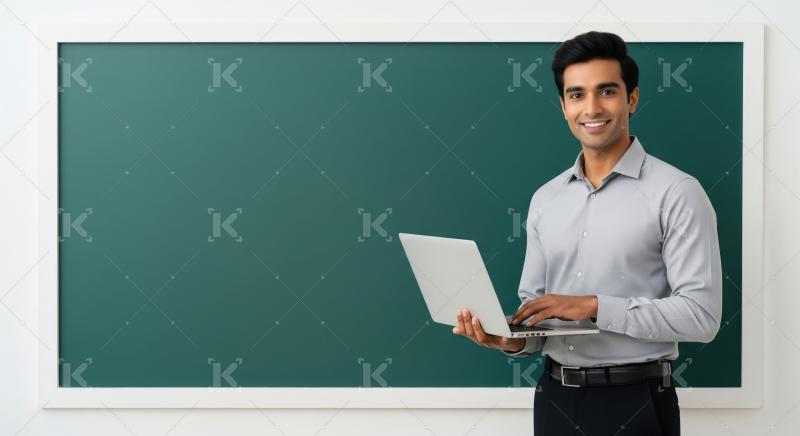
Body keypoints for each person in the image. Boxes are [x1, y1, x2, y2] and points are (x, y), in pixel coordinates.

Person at [452, 31, 722, 435]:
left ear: (631, 98)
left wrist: (594, 305)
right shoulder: (546, 198)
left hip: (638, 402)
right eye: (576, 95)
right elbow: (538, 316)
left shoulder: (677, 192)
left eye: (607, 91)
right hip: (555, 399)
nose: (591, 108)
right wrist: (510, 339)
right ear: (563, 106)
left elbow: (702, 318)